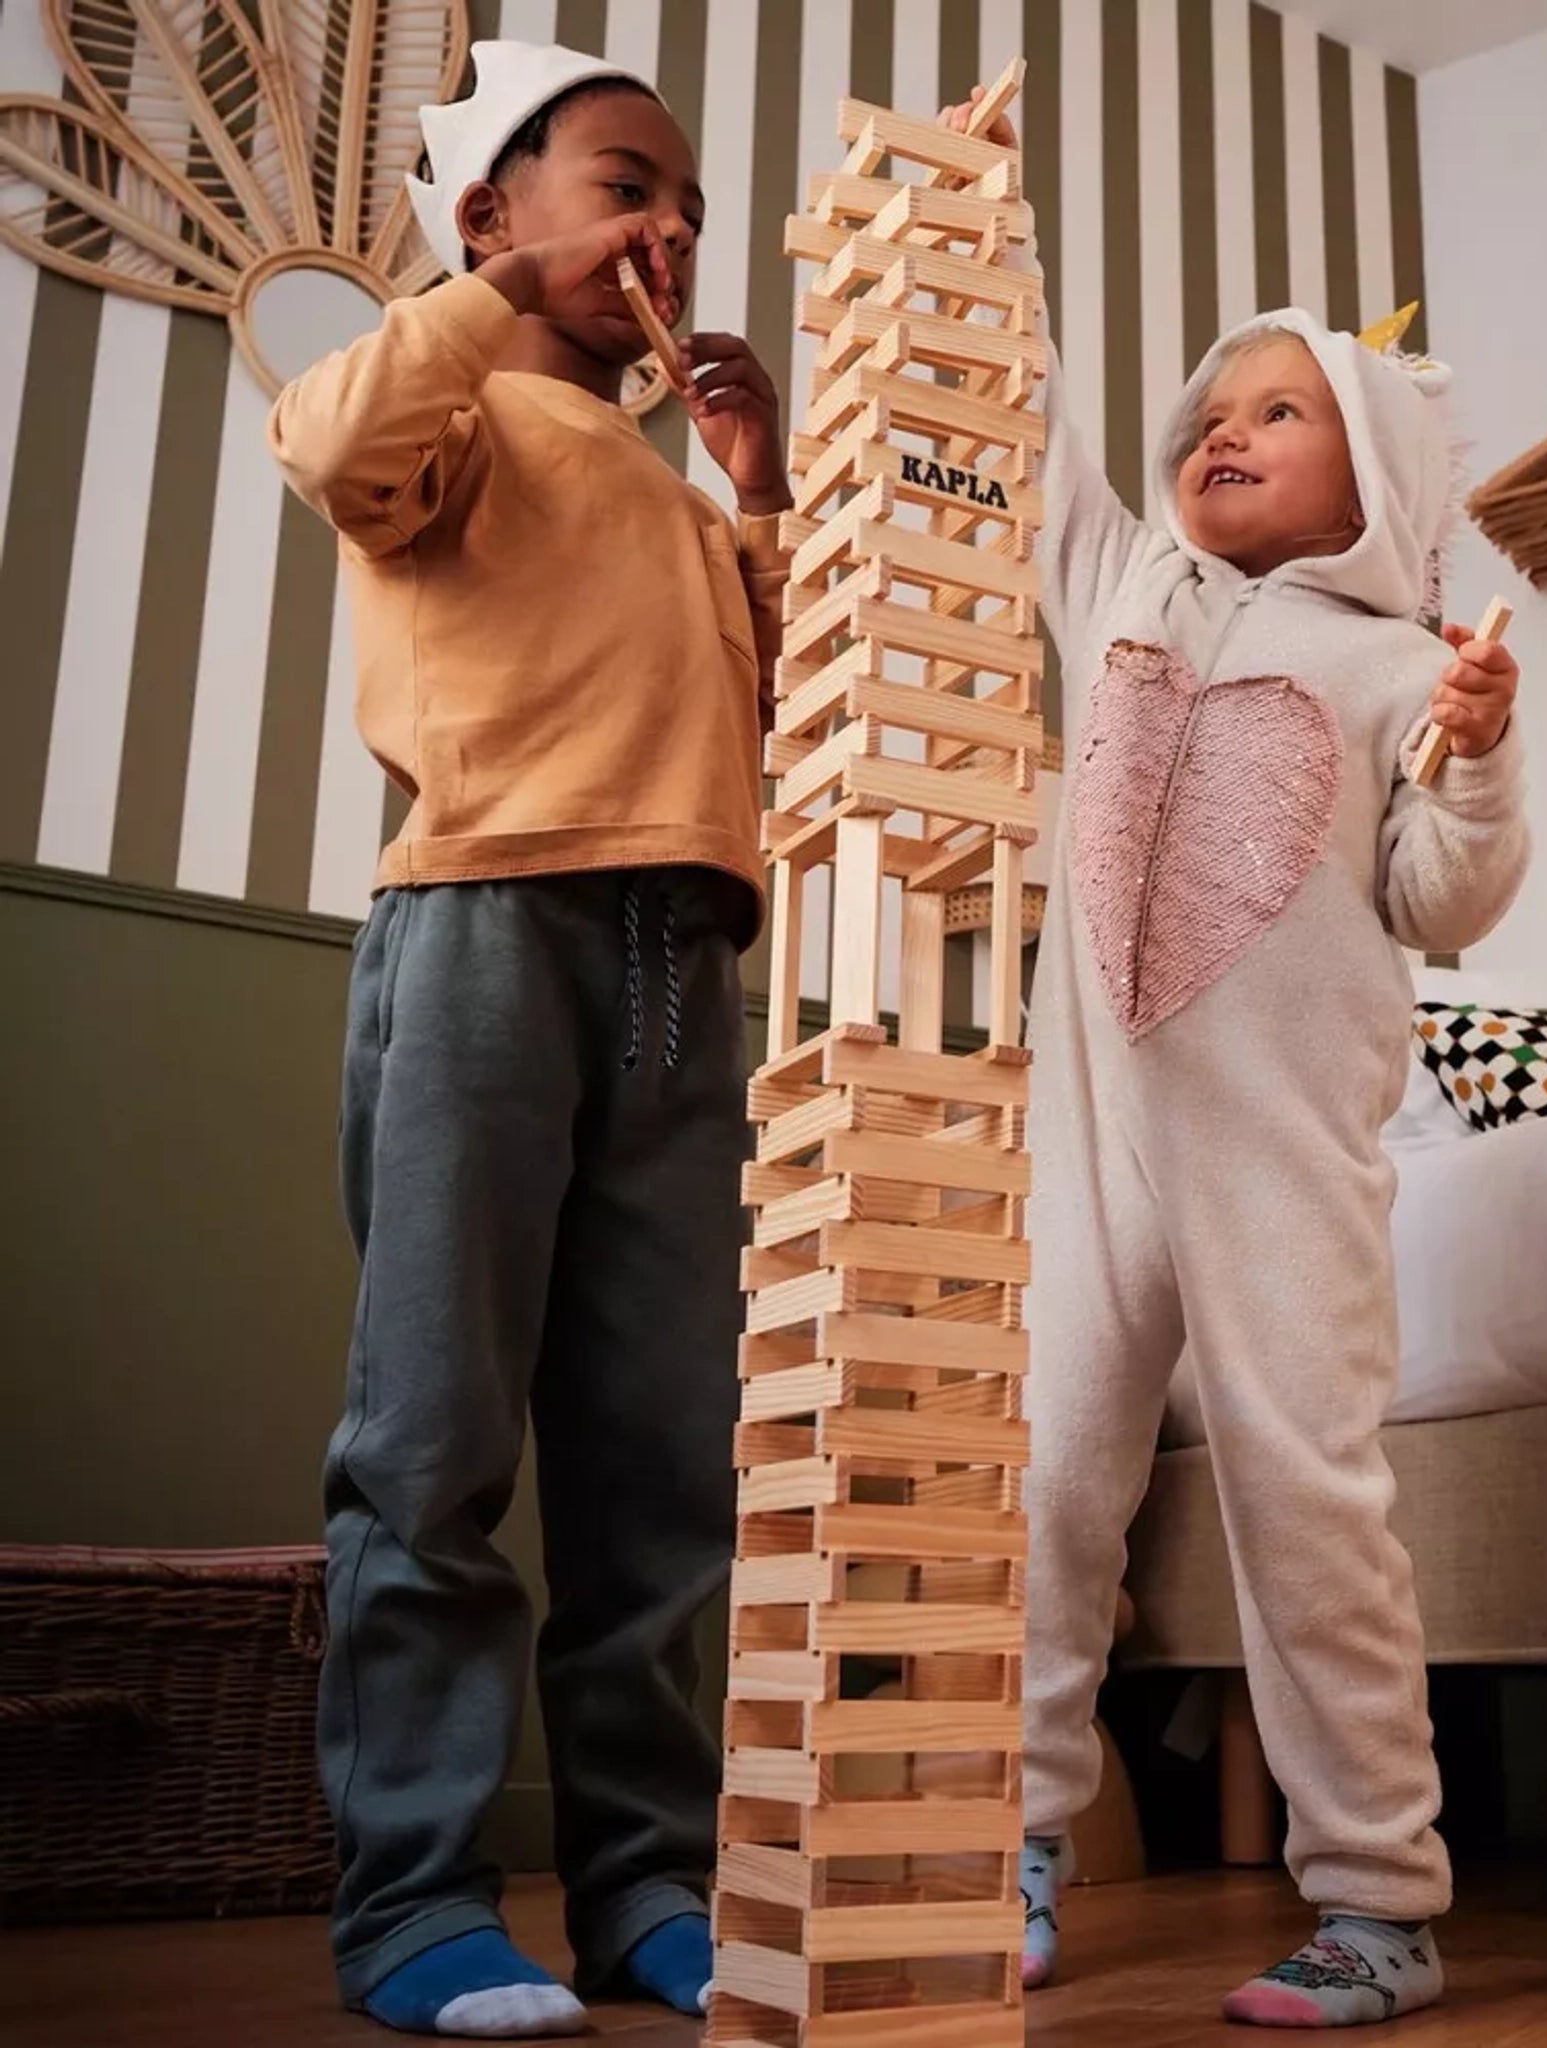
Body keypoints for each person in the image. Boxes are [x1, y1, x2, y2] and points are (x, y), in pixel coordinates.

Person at [941, 90, 1530, 2029]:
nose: (1223, 428)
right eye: (1213, 406)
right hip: (1095, 1130)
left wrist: (1480, 747)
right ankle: (1011, 1835)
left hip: (1281, 1155)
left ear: (1370, 476)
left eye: (1279, 410)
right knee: (1038, 1480)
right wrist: (987, 217)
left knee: (1306, 1496)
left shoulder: (1393, 674)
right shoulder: (1117, 585)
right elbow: (1027, 436)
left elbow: (1448, 898)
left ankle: (1377, 1895)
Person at [269, 40, 791, 2037]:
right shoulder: (449, 397)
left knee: (661, 1466)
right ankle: (411, 1901)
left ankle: (647, 1881)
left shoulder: (664, 488)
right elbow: (326, 445)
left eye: (687, 205)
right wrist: (490, 293)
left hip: (686, 953)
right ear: (491, 212)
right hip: (483, 920)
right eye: (622, 184)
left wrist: (754, 491)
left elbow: (774, 701)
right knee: (432, 1435)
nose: (667, 225)